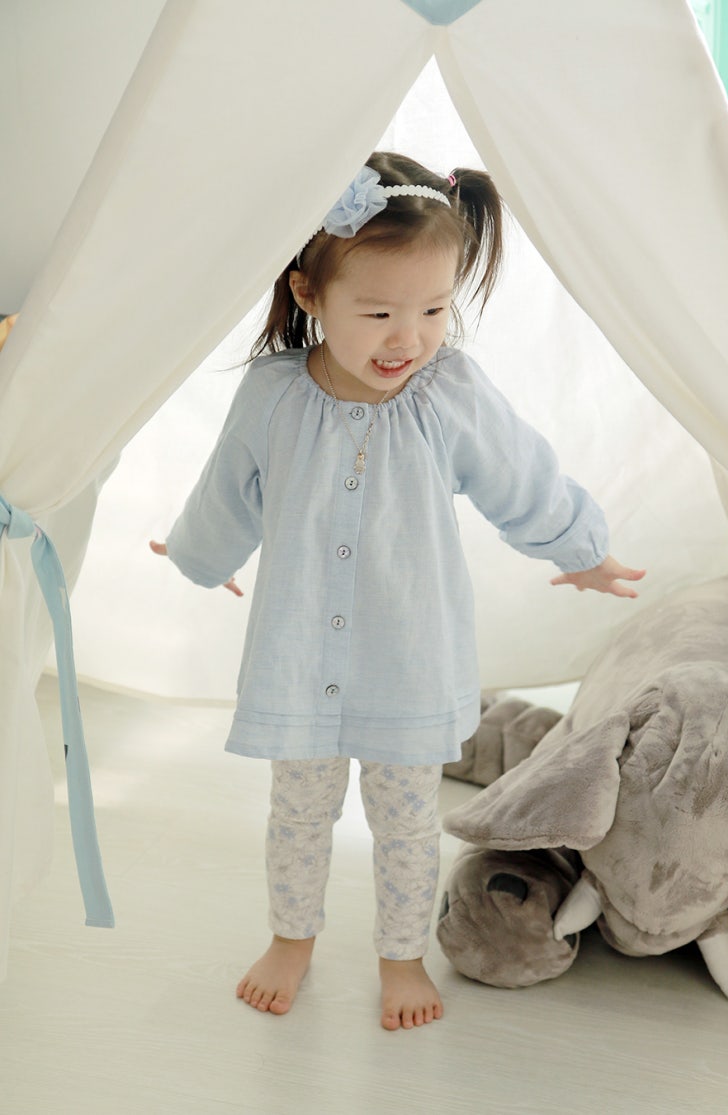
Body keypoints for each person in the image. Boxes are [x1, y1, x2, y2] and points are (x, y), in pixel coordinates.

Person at [150, 151, 645, 1031]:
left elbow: (520, 476)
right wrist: (198, 554)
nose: (406, 338)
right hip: (300, 656)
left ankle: (401, 955)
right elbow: (228, 491)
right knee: (298, 814)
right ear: (309, 294)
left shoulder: (449, 392)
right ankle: (291, 938)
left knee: (407, 821)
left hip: (411, 659)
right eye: (378, 312)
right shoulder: (271, 395)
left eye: (433, 311)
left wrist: (582, 549)